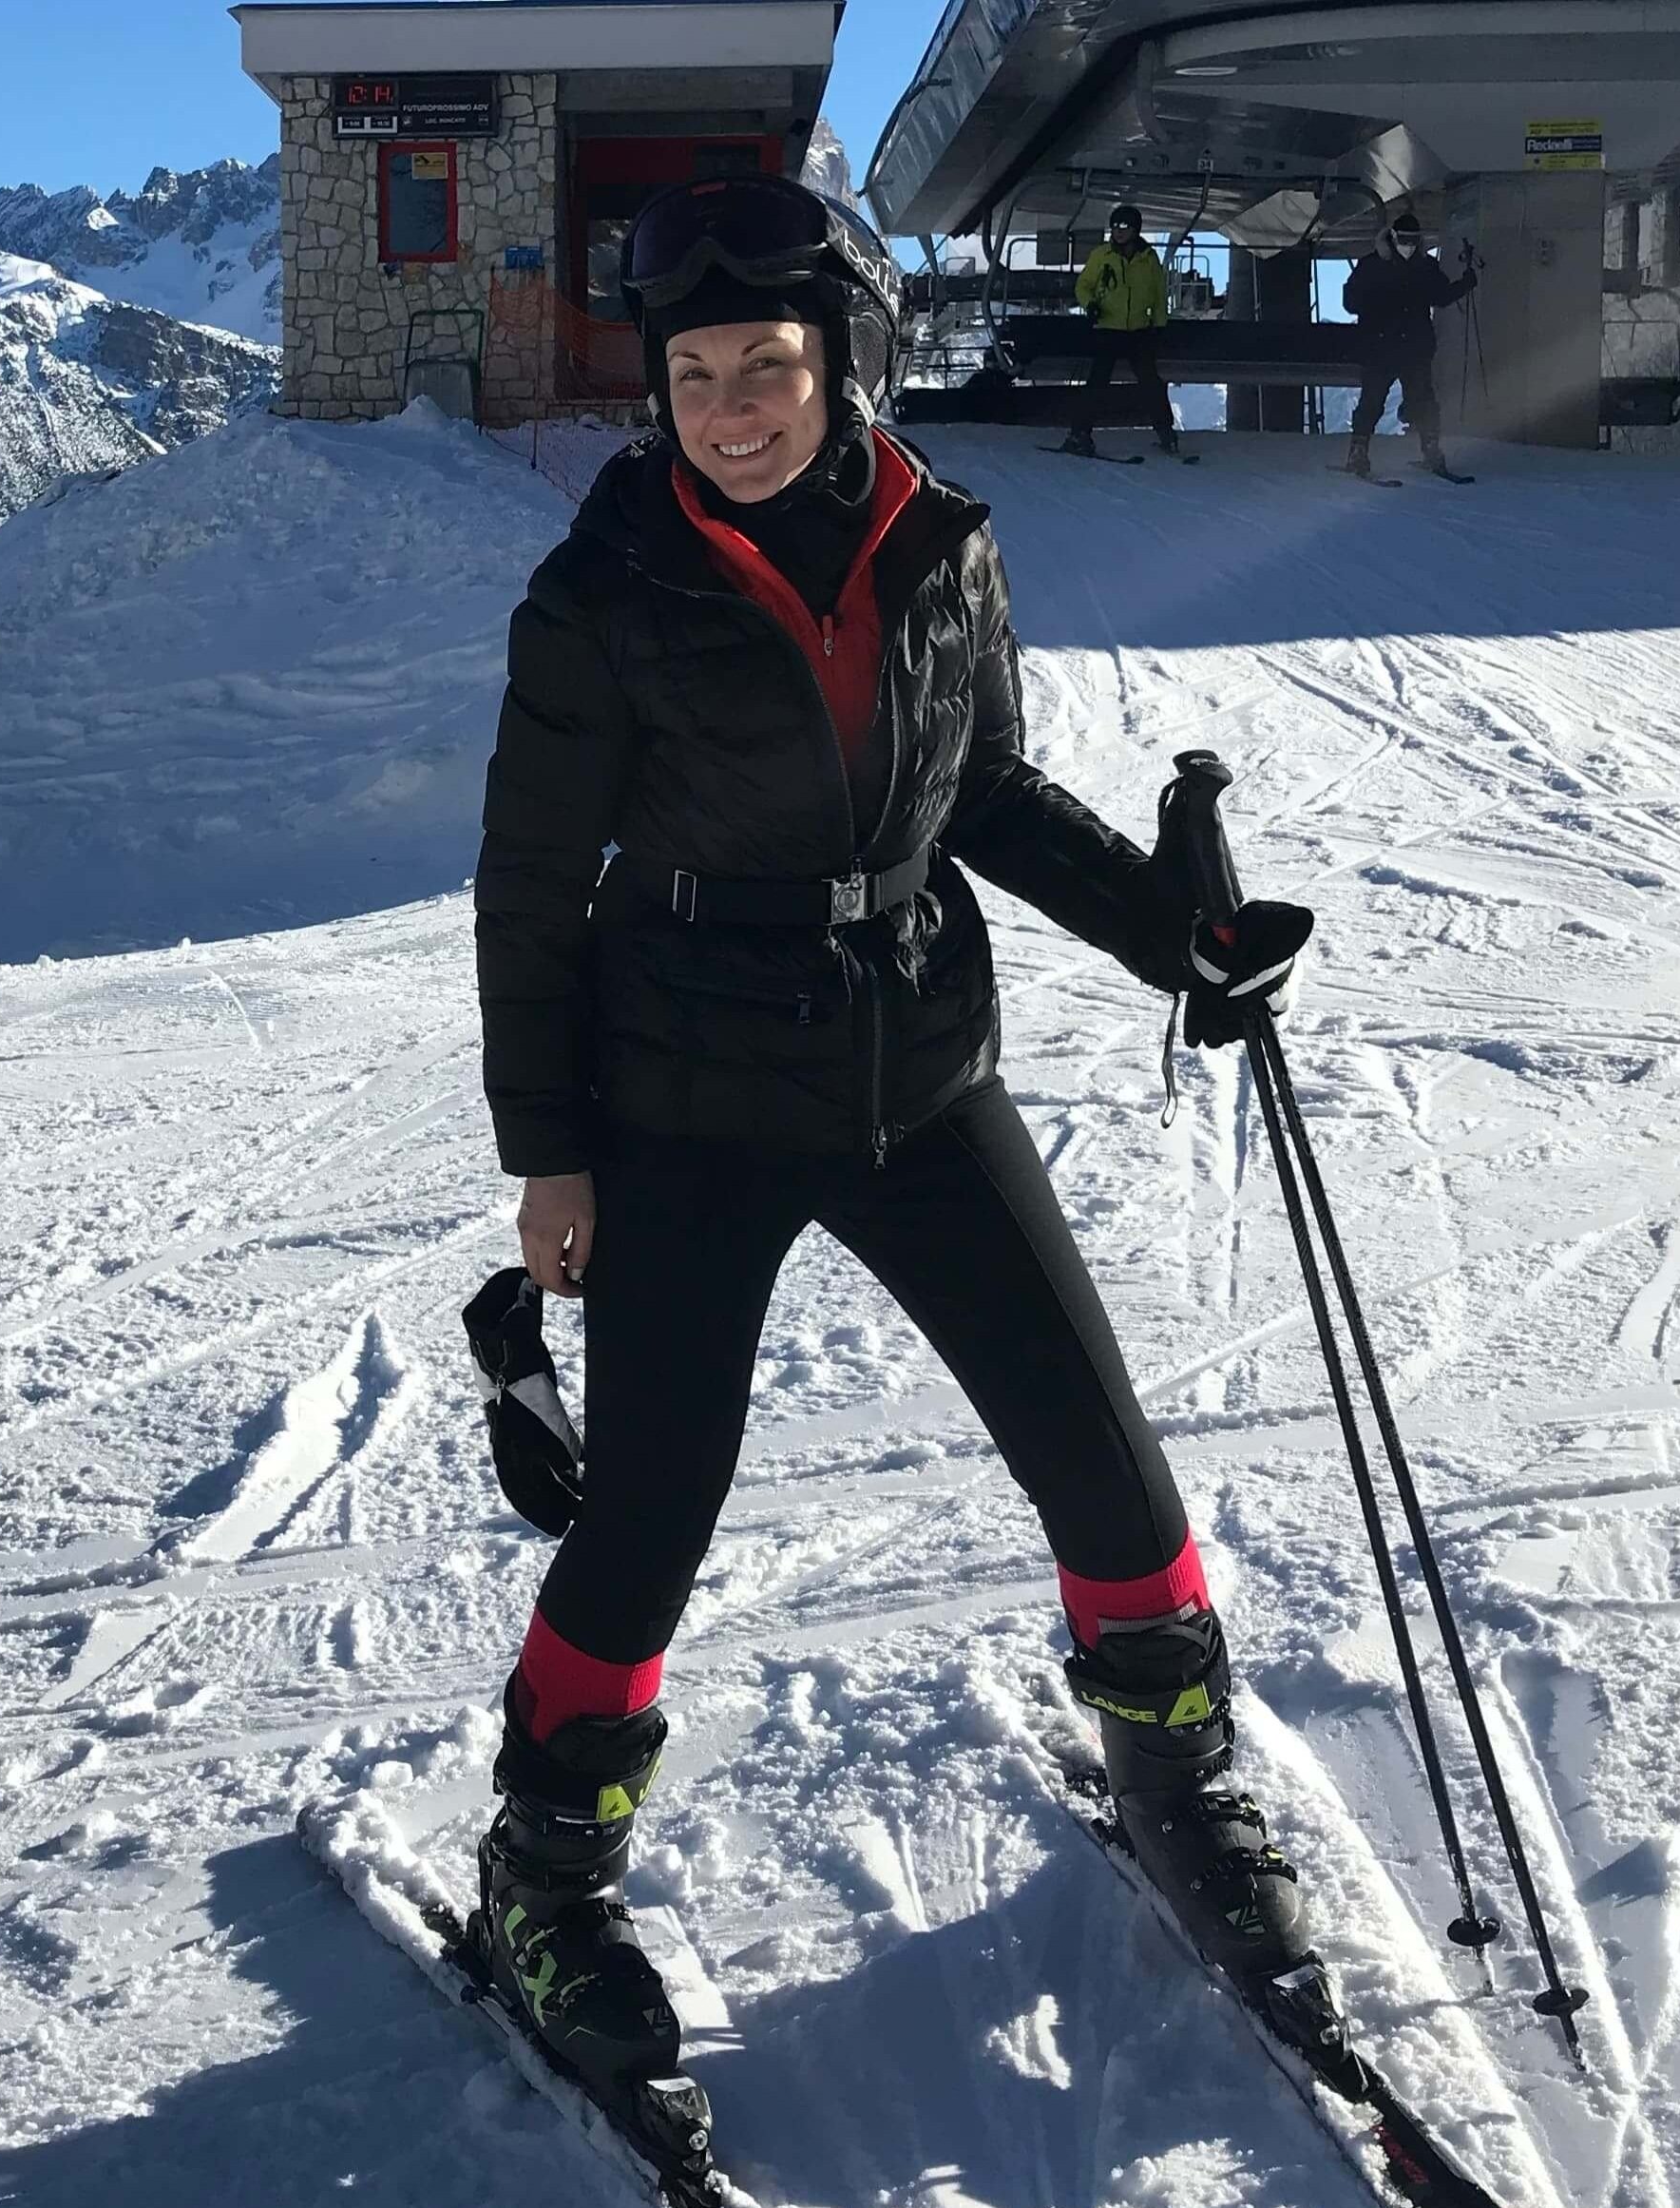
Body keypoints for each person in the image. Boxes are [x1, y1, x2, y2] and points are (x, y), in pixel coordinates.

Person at [469, 172, 1315, 2101]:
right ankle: (542, 1871)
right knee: (648, 1518)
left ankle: (1176, 1779)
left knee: (1105, 1468)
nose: (728, 407)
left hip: (917, 1072)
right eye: (690, 372)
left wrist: (1175, 936)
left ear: (847, 362)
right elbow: (528, 883)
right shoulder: (601, 588)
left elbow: (986, 793)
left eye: (764, 363)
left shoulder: (943, 544)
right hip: (683, 1098)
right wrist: (554, 1151)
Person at [1343, 208, 1478, 479]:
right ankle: (1361, 451)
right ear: (1393, 237)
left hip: (1404, 348)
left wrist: (1465, 284)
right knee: (1375, 401)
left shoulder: (1421, 267)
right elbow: (1351, 302)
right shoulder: (1380, 265)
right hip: (1387, 348)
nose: (1408, 244)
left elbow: (1440, 295)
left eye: (1413, 239)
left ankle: (1426, 449)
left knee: (1421, 401)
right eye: (1404, 238)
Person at [1060, 203, 1179, 459]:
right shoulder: (1102, 255)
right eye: (1114, 226)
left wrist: (1159, 325)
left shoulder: (1149, 258)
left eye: (1124, 226)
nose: (1118, 231)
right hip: (1107, 329)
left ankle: (1166, 432)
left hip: (1138, 331)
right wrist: (1089, 305)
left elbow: (1159, 293)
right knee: (1097, 384)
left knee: (1151, 383)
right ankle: (1079, 433)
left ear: (1135, 229)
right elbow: (1084, 285)